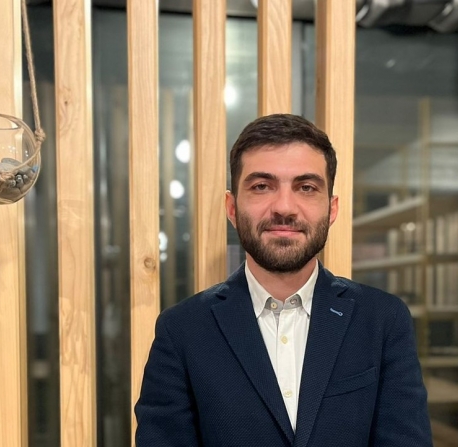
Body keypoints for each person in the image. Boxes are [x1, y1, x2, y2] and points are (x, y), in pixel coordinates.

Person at [135, 114, 432, 447]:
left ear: (332, 209)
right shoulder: (182, 330)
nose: (285, 207)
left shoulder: (382, 320)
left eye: (306, 188)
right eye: (262, 186)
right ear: (232, 208)